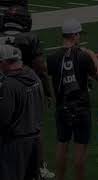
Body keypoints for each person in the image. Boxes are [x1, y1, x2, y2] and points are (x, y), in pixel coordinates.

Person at [0, 5, 55, 179]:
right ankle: (39, 166)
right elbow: (41, 68)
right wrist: (47, 92)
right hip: (26, 89)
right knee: (34, 128)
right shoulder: (29, 38)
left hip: (4, 88)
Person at [46, 18, 98, 180]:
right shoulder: (83, 56)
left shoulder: (52, 58)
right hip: (81, 107)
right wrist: (95, 59)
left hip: (62, 107)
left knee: (61, 147)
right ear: (74, 35)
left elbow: (51, 82)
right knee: (79, 154)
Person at [0, 44, 43, 180]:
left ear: (4, 63)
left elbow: (4, 118)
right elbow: (41, 105)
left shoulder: (9, 85)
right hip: (35, 139)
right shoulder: (33, 77)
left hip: (16, 144)